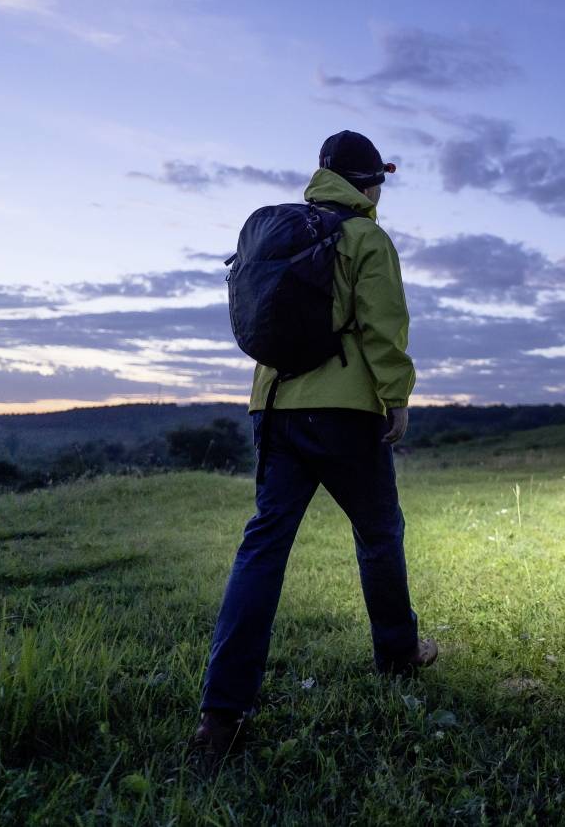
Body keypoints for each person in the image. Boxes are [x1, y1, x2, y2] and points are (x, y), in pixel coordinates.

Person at [189, 131, 436, 761]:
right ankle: (399, 653)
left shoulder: (284, 232)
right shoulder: (365, 238)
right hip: (346, 412)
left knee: (263, 549)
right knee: (379, 533)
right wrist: (396, 395)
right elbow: (384, 326)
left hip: (271, 409)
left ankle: (221, 715)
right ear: (369, 182)